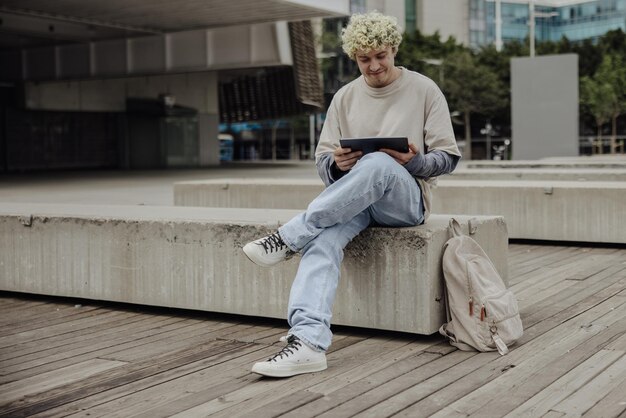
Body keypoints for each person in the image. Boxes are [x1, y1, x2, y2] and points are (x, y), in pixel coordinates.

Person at [242, 11, 461, 378]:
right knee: (323, 238)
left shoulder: (424, 89)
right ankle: (308, 343)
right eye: (364, 59)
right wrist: (337, 166)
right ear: (354, 58)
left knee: (377, 163)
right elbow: (322, 161)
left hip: (406, 202)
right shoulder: (344, 97)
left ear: (393, 49)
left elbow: (449, 158)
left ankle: (287, 236)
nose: (373, 66)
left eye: (380, 56)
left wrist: (414, 161)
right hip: (356, 200)